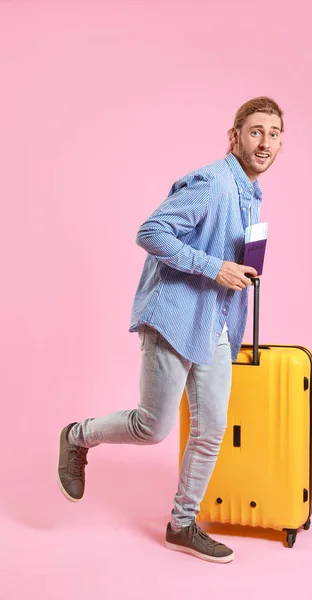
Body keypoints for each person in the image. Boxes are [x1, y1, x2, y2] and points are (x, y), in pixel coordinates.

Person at [57, 95, 284, 564]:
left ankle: (183, 524)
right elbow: (151, 232)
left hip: (217, 322)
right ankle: (77, 436)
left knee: (212, 428)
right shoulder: (213, 182)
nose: (265, 142)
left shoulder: (251, 193)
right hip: (177, 316)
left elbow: (225, 258)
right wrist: (214, 267)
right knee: (153, 426)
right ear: (235, 135)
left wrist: (239, 271)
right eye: (256, 131)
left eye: (275, 134)